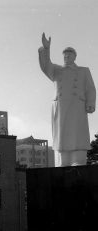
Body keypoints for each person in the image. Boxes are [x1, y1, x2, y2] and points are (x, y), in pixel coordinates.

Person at [38, 33, 96, 167]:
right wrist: (46, 49)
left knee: (77, 134)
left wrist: (91, 103)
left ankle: (78, 160)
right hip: (61, 107)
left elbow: (91, 88)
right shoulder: (56, 70)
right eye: (64, 55)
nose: (66, 57)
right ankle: (63, 161)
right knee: (62, 135)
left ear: (75, 57)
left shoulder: (83, 71)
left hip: (77, 107)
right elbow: (45, 65)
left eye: (69, 55)